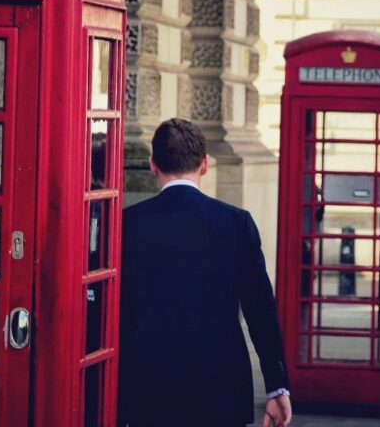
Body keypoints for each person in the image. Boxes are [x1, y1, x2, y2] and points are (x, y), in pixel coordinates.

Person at [119, 118, 292, 427]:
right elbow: (260, 310)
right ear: (205, 165)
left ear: (153, 165)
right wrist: (277, 386)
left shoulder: (127, 223)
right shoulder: (236, 223)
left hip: (147, 388)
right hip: (220, 386)